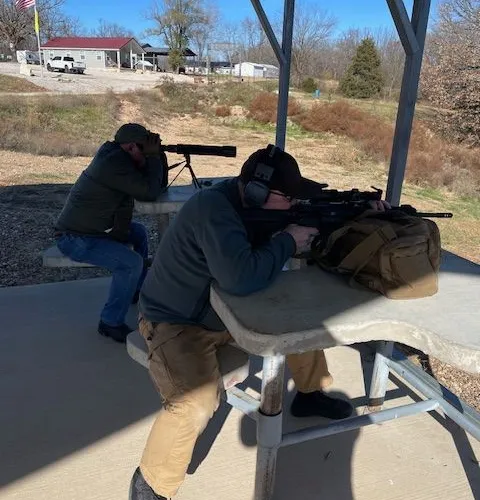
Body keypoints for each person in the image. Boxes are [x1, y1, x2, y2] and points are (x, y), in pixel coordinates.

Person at [130, 146, 388, 500]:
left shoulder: (261, 207)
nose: (295, 204)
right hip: (177, 321)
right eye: (288, 197)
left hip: (227, 312)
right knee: (195, 404)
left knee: (300, 322)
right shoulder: (213, 210)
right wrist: (287, 240)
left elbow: (310, 222)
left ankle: (310, 395)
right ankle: (152, 483)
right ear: (255, 191)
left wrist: (362, 217)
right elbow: (241, 277)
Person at [55, 123, 167, 343]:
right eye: (144, 147)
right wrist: (152, 159)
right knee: (131, 263)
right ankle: (110, 322)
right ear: (131, 147)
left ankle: (134, 289)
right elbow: (150, 192)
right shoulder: (113, 165)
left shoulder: (118, 156)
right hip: (76, 238)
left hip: (93, 229)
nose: (148, 150)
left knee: (139, 233)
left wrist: (152, 158)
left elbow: (157, 184)